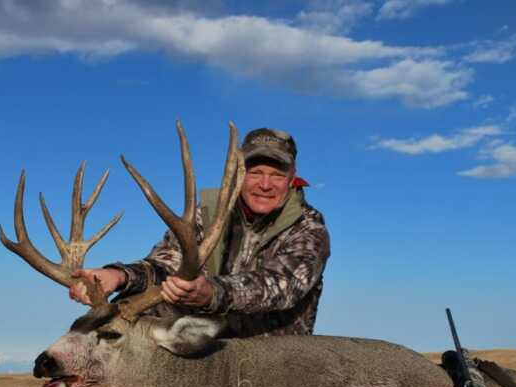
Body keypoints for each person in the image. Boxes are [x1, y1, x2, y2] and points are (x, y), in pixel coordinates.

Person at [70, 127, 330, 337]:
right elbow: (167, 264)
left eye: (276, 175)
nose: (264, 184)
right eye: (256, 172)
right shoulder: (205, 214)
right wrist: (119, 276)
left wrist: (211, 293)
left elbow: (278, 287)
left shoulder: (308, 229)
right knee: (129, 303)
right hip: (206, 336)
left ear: (292, 175)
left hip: (269, 352)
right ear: (239, 172)